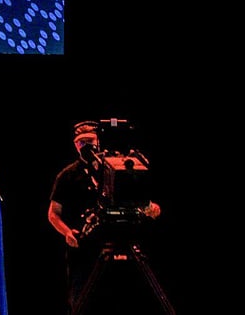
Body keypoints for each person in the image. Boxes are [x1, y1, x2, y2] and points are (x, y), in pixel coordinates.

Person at [48, 121, 161, 314]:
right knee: (82, 301)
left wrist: (151, 209)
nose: (86, 146)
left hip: (122, 239)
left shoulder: (117, 167)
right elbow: (53, 213)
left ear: (98, 141)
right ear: (75, 145)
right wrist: (67, 232)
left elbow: (141, 201)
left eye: (89, 141)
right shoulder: (67, 176)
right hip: (84, 249)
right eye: (81, 142)